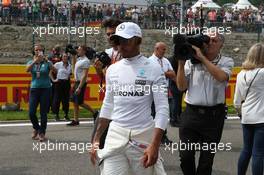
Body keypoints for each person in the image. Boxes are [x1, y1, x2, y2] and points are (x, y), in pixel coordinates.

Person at [90, 22, 169, 175]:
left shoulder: (153, 68)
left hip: (143, 135)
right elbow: (108, 105)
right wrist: (97, 138)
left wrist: (155, 145)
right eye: (118, 41)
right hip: (116, 135)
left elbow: (162, 110)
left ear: (138, 41)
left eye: (126, 41)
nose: (121, 45)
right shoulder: (112, 70)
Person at [176, 32, 234, 175]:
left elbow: (221, 77)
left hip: (214, 117)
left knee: (206, 161)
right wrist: (181, 64)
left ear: (221, 44)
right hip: (191, 114)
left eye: (214, 40)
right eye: (207, 40)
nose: (209, 43)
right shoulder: (191, 61)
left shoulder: (226, 61)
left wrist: (202, 58)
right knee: (186, 156)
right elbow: (181, 87)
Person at [234, 43, 264, 175]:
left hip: (246, 116)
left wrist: (240, 112)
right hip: (261, 116)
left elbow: (237, 100)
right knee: (258, 152)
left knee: (246, 150)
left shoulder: (241, 74)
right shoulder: (262, 73)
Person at [92, 18, 122, 149]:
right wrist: (99, 69)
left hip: (124, 104)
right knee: (97, 141)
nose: (110, 37)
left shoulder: (128, 53)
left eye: (113, 33)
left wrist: (107, 71)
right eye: (108, 34)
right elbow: (104, 79)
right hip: (109, 102)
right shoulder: (108, 53)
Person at [26, 44, 56, 142]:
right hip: (34, 89)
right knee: (31, 112)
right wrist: (35, 61)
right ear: (34, 51)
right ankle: (37, 128)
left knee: (43, 112)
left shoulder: (47, 62)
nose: (38, 51)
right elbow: (27, 70)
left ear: (43, 51)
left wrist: (48, 62)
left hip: (46, 89)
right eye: (36, 50)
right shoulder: (31, 62)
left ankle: (42, 133)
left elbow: (55, 70)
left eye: (40, 50)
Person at [149, 42, 175, 144]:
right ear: (156, 49)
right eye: (163, 49)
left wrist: (160, 73)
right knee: (153, 114)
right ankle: (153, 137)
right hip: (153, 91)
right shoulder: (149, 61)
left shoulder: (166, 61)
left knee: (163, 113)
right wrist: (165, 73)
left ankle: (163, 136)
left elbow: (173, 74)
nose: (165, 51)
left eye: (165, 49)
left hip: (164, 89)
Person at [67, 45, 98, 126]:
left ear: (84, 51)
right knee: (74, 102)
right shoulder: (79, 59)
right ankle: (75, 120)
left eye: (80, 50)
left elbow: (84, 75)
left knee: (80, 102)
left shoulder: (86, 61)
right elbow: (74, 69)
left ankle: (95, 112)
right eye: (78, 50)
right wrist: (73, 56)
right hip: (76, 82)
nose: (78, 51)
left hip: (81, 82)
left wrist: (80, 87)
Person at [51, 52, 71, 121]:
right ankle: (56, 114)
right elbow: (50, 72)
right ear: (61, 57)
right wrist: (53, 80)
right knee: (57, 99)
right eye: (64, 56)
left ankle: (66, 114)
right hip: (59, 82)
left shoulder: (69, 65)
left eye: (66, 56)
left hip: (66, 83)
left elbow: (70, 74)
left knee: (66, 100)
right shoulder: (57, 64)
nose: (65, 58)